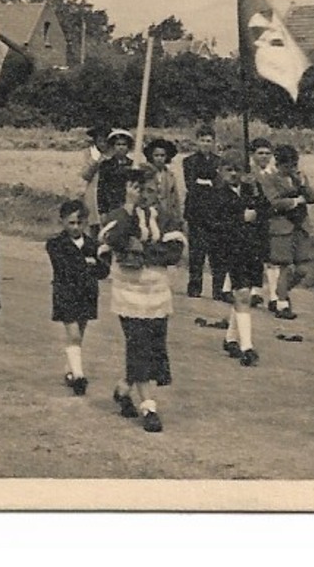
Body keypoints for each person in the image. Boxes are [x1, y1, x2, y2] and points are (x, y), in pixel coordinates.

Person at [99, 170, 186, 432]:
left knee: (154, 344)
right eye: (139, 190)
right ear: (130, 190)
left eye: (150, 190)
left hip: (157, 292)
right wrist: (128, 207)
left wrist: (142, 250)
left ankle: (124, 388)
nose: (145, 196)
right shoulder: (120, 215)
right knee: (138, 343)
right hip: (128, 293)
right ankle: (148, 405)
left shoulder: (165, 218)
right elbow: (112, 241)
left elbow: (175, 251)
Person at [47, 199, 109, 396]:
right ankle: (79, 376)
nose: (75, 227)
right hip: (65, 293)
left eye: (79, 223)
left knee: (78, 335)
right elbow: (63, 267)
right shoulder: (55, 244)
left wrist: (94, 264)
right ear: (63, 222)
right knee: (73, 334)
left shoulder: (93, 245)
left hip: (87, 294)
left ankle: (70, 370)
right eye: (71, 223)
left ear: (85, 223)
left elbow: (103, 271)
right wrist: (86, 264)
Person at [213, 151, 265, 365]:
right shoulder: (215, 194)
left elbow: (266, 210)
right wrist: (239, 218)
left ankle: (231, 338)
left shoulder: (249, 190)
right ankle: (247, 347)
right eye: (229, 170)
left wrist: (255, 193)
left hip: (251, 249)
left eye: (237, 170)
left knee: (242, 295)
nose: (233, 174)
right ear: (220, 171)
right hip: (230, 250)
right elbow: (214, 223)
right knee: (243, 294)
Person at [260, 143, 314, 320]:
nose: (292, 169)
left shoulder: (299, 177)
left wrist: (303, 187)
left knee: (302, 268)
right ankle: (282, 304)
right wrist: (296, 201)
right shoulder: (268, 178)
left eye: (294, 165)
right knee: (284, 266)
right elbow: (274, 202)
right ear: (278, 164)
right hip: (282, 226)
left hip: (301, 226)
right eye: (288, 166)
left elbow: (313, 198)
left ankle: (280, 292)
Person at [180, 125, 224, 299]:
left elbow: (220, 185)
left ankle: (218, 289)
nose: (206, 144)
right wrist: (209, 182)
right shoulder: (189, 161)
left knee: (217, 251)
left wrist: (206, 182)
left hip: (215, 212)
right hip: (196, 211)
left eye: (209, 141)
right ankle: (195, 286)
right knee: (196, 251)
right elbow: (192, 185)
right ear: (197, 142)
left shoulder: (219, 162)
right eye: (203, 140)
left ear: (213, 142)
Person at [245, 138, 279, 306]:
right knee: (254, 256)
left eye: (267, 153)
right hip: (254, 220)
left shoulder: (276, 174)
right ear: (252, 155)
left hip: (273, 219)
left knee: (272, 259)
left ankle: (274, 295)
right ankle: (255, 290)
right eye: (260, 153)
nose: (264, 157)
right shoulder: (248, 174)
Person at [84, 129, 136, 235]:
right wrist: (102, 211)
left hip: (127, 203)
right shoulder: (106, 165)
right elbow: (101, 189)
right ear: (113, 146)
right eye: (118, 144)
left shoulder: (133, 164)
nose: (121, 147)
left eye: (124, 144)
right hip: (112, 205)